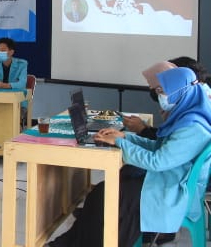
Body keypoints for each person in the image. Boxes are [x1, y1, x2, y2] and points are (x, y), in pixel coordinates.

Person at [47, 66, 211, 247]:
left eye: (163, 91)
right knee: (101, 192)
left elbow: (156, 161)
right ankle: (66, 243)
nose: (161, 97)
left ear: (180, 92)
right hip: (167, 181)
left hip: (170, 192)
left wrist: (120, 143)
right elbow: (159, 147)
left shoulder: (193, 128)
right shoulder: (189, 118)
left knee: (105, 195)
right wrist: (125, 137)